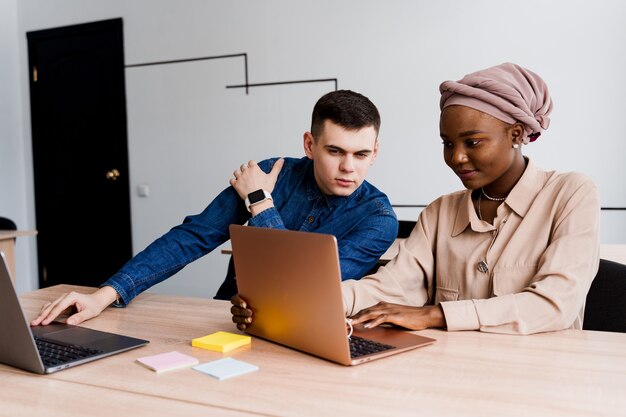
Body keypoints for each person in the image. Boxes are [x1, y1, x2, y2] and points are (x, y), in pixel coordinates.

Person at [232, 63, 600, 335]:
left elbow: (554, 306)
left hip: (541, 379)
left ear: (517, 133)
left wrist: (435, 315)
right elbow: (389, 287)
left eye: (472, 142)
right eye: (447, 143)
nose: (456, 157)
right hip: (449, 376)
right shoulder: (441, 211)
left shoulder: (571, 193)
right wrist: (289, 302)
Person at [33, 89, 398, 327]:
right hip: (229, 321)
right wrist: (105, 294)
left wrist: (260, 203)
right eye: (335, 151)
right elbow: (193, 236)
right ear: (309, 144)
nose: (349, 167)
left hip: (305, 338)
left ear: (375, 153)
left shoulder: (378, 219)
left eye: (361, 154)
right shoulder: (272, 174)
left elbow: (305, 291)